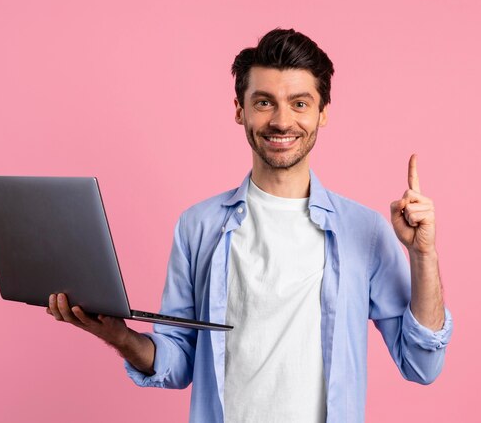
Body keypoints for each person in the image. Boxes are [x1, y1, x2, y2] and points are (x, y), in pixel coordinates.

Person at [47, 28, 453, 423]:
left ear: (322, 113)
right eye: (263, 102)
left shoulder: (365, 232)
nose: (281, 121)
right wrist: (120, 336)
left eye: (299, 103)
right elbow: (177, 359)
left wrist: (423, 255)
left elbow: (421, 363)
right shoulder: (198, 227)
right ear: (239, 109)